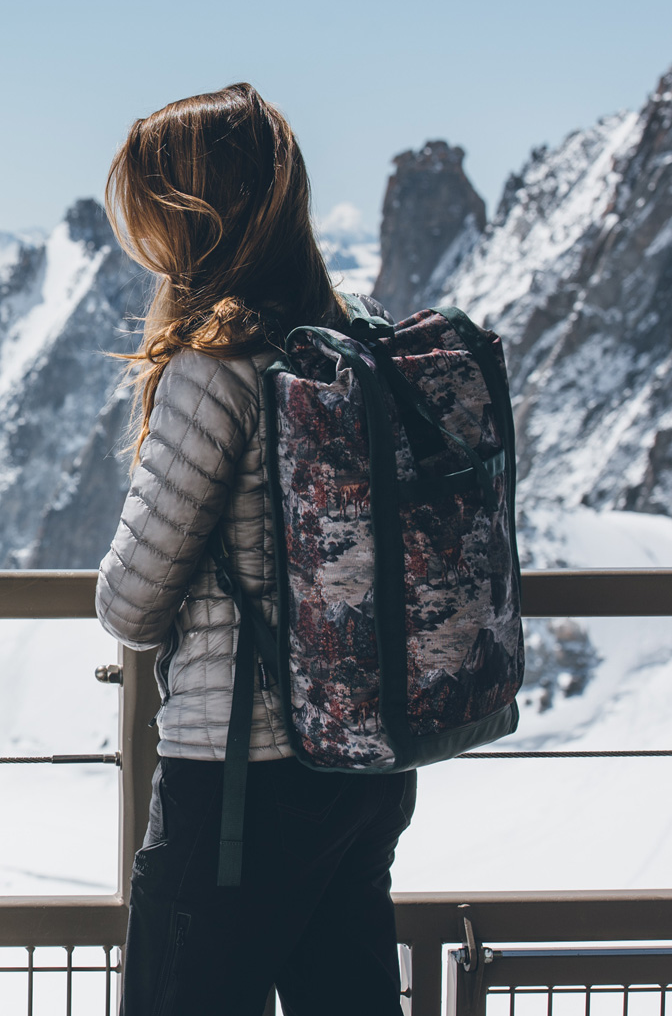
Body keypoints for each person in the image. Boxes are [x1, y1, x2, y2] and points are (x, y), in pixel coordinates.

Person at [96, 83, 415, 1014]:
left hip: (237, 785)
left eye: (153, 211)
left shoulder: (214, 366)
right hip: (365, 762)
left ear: (193, 217)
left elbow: (132, 603)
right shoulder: (353, 342)